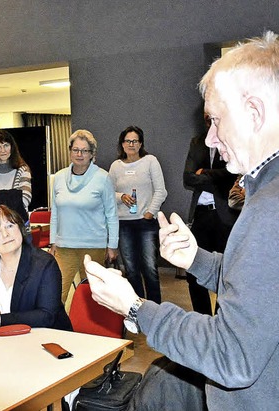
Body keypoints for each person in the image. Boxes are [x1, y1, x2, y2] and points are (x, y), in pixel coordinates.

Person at [84, 31, 279, 410]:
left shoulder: (270, 207)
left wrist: (136, 308)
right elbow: (262, 292)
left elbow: (232, 356)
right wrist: (198, 261)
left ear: (254, 113)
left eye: (217, 121)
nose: (210, 138)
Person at [0, 205, 72, 331]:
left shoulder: (44, 264)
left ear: (20, 229)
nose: (6, 234)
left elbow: (46, 316)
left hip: (47, 339)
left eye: (10, 226)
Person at [49, 129, 118, 310]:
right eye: (76, 150)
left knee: (92, 294)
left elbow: (111, 214)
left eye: (84, 150)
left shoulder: (102, 178)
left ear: (92, 154)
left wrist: (113, 245)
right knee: (57, 293)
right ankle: (58, 329)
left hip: (93, 245)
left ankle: (93, 332)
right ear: (70, 151)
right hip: (64, 246)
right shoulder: (59, 177)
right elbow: (55, 211)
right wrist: (52, 241)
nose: (79, 154)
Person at [182, 117, 239, 315]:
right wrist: (216, 176)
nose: (210, 125)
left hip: (225, 216)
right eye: (208, 121)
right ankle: (203, 317)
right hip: (201, 216)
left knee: (225, 271)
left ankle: (221, 318)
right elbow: (188, 177)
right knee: (193, 270)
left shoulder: (232, 140)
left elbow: (232, 173)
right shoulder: (197, 142)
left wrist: (204, 173)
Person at [108, 126, 167, 303]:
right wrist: (121, 197)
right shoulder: (115, 166)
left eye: (135, 141)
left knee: (149, 268)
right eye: (127, 141)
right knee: (131, 269)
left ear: (140, 144)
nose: (131, 144)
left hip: (146, 223)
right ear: (122, 144)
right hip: (123, 224)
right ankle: (138, 310)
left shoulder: (150, 161)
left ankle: (156, 310)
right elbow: (108, 193)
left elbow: (161, 191)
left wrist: (149, 213)